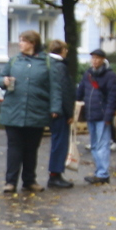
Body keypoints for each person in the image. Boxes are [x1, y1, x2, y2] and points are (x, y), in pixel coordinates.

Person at [0, 30, 58, 193]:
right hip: (13, 112)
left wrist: (55, 108)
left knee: (31, 149)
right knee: (14, 148)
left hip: (36, 112)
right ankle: (10, 182)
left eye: (23, 41)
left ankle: (29, 181)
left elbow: (55, 87)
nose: (20, 43)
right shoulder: (14, 61)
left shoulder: (47, 62)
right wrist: (3, 81)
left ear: (32, 43)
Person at [77, 48, 116, 184]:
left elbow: (112, 97)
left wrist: (108, 116)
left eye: (97, 58)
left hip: (102, 115)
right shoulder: (88, 74)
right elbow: (80, 92)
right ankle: (99, 171)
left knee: (102, 145)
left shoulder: (110, 76)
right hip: (90, 114)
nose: (94, 61)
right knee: (94, 146)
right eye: (93, 58)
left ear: (103, 60)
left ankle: (103, 174)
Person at [44, 40, 75, 188]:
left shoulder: (46, 63)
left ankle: (54, 174)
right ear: (62, 50)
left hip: (48, 108)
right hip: (60, 111)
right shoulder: (60, 66)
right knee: (60, 142)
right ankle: (55, 174)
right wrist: (70, 113)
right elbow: (65, 91)